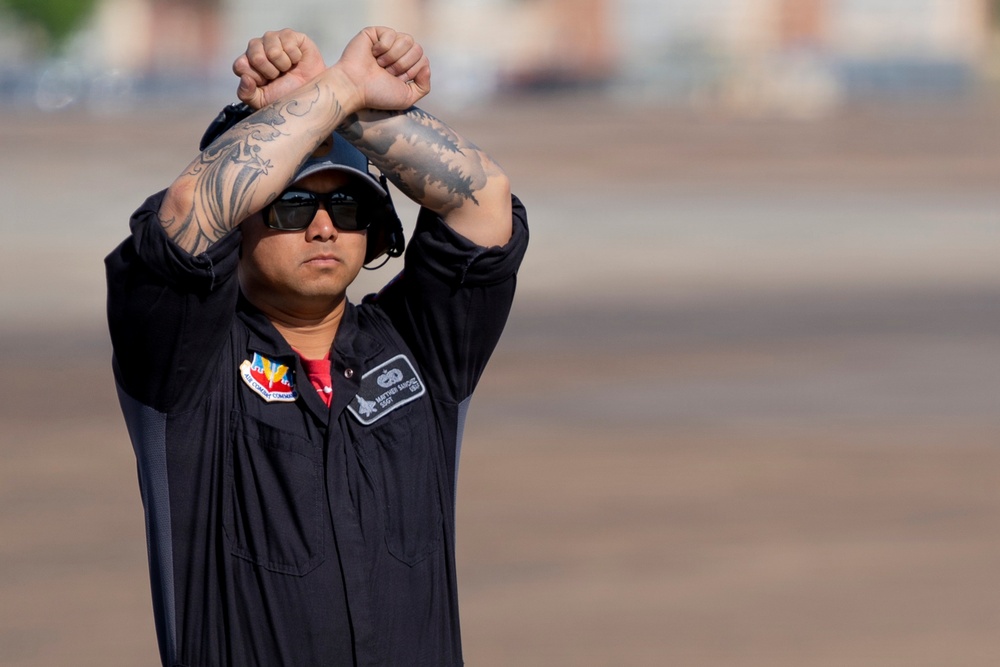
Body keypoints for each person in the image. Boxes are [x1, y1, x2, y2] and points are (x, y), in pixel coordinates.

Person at [105, 26, 528, 666]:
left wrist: (351, 105)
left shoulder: (417, 347)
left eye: (349, 207)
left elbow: (484, 202)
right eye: (291, 204)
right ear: (242, 221)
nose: (325, 226)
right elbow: (191, 212)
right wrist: (329, 93)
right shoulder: (184, 362)